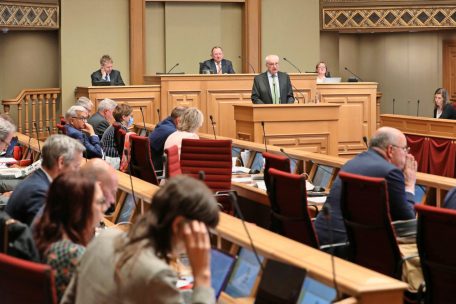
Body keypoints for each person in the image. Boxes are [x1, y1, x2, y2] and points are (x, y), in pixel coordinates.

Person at [61, 175, 219, 304]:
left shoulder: (103, 238)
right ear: (178, 226)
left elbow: (68, 299)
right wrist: (202, 276)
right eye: (203, 233)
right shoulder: (157, 275)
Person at [314, 127, 417, 245]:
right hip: (345, 248)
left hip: (321, 239)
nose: (407, 154)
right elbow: (408, 224)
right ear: (390, 150)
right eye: (405, 149)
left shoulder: (352, 163)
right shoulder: (391, 172)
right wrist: (409, 185)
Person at [34, 171, 105, 301]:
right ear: (80, 209)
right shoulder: (72, 254)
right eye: (100, 202)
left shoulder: (45, 231)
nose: (104, 208)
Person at [6, 135, 85, 225]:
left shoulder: (37, 180)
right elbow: (43, 235)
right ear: (61, 162)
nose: (77, 172)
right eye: (76, 166)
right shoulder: (39, 192)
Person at [148, 106, 187, 171]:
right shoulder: (172, 132)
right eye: (186, 120)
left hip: (149, 166)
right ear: (178, 120)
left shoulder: (164, 124)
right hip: (157, 168)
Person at [101, 104, 132, 169]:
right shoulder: (121, 128)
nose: (130, 118)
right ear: (124, 117)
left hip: (106, 156)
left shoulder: (115, 125)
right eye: (130, 116)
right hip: (112, 158)